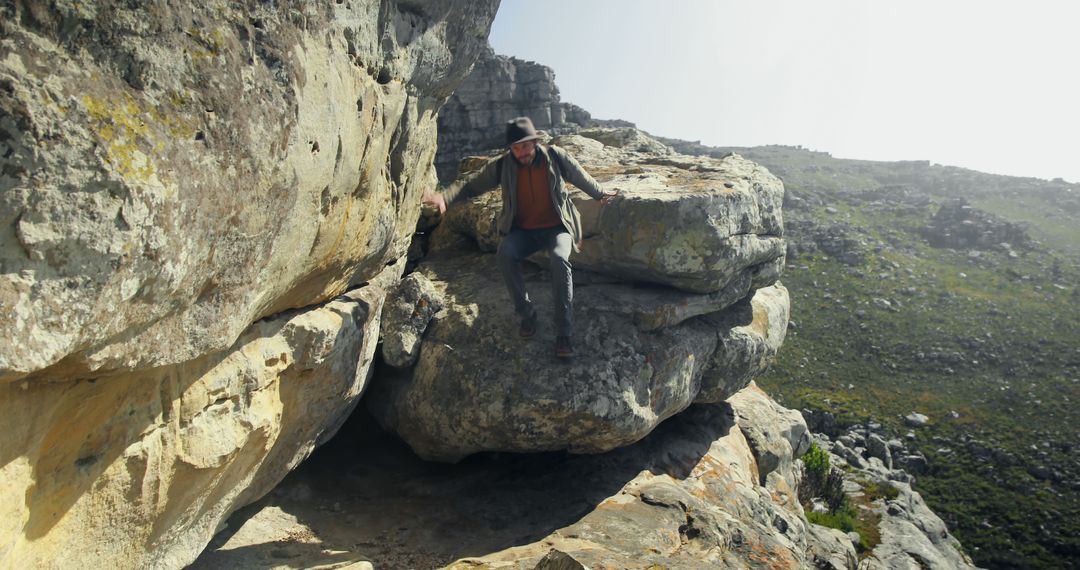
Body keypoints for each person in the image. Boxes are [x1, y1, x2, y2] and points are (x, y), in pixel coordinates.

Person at [423, 117, 617, 358]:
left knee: (559, 259)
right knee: (505, 253)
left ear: (535, 142)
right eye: (516, 147)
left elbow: (579, 176)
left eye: (525, 146)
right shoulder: (503, 165)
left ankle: (564, 332)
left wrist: (599, 193)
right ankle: (526, 315)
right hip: (523, 232)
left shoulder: (555, 156)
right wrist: (446, 197)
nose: (521, 152)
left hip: (558, 228)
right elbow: (472, 184)